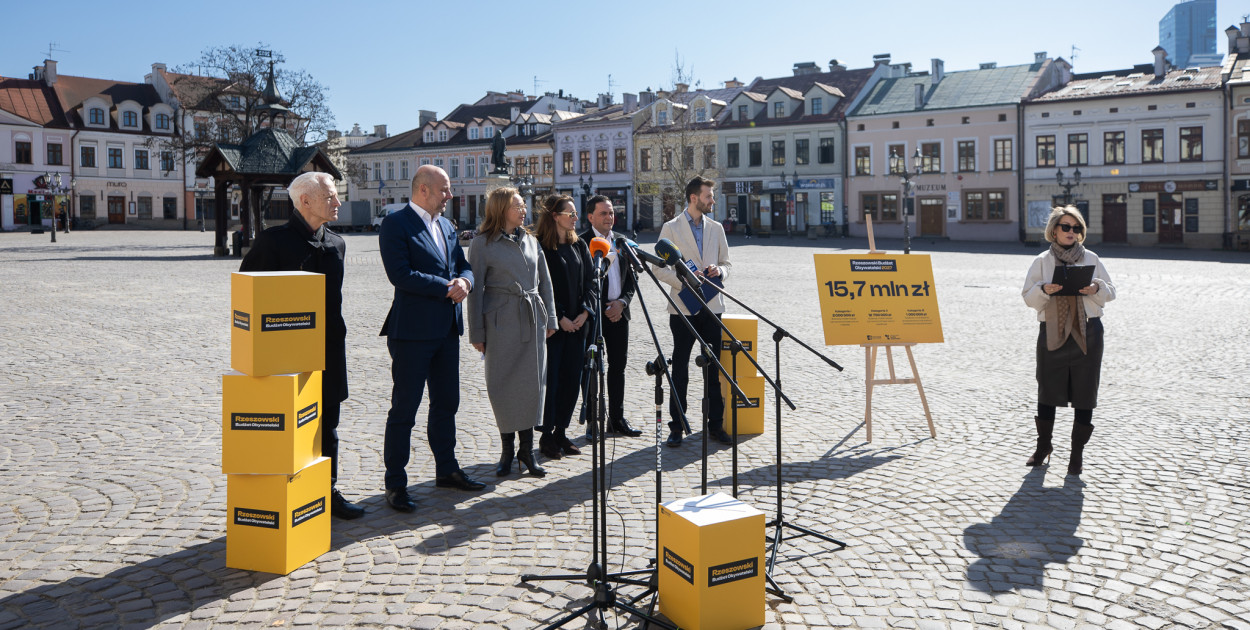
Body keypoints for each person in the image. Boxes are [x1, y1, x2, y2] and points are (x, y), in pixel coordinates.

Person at [239, 171, 365, 520]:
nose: (338, 202)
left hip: (328, 351)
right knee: (288, 427)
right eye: (331, 196)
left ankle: (327, 492)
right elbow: (247, 298)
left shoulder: (337, 244)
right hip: (283, 356)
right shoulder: (272, 243)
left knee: (328, 425)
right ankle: (288, 493)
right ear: (305, 201)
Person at [378, 165, 481, 513]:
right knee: (404, 409)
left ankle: (446, 470)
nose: (449, 196)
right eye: (444, 190)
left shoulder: (447, 226)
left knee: (446, 403)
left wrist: (465, 282)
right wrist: (447, 287)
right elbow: (400, 274)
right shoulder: (396, 224)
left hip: (446, 330)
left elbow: (462, 265)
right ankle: (395, 483)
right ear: (423, 190)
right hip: (411, 332)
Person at [466, 188, 557, 478]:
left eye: (523, 205)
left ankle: (527, 451)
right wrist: (476, 332)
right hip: (500, 322)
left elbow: (545, 282)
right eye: (518, 206)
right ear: (501, 209)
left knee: (532, 386)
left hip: (532, 320)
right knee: (501, 386)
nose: (524, 211)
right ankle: (507, 450)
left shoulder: (531, 241)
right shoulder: (482, 244)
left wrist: (551, 318)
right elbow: (475, 291)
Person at [1021, 206, 1116, 477]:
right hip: (1052, 329)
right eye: (1066, 227)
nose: (1071, 232)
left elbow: (1111, 292)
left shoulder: (1092, 258)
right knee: (1047, 389)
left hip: (1089, 331)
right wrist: (1043, 290)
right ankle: (1043, 447)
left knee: (1085, 392)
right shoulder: (1042, 261)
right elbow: (1027, 296)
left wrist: (1097, 288)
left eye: (1076, 228)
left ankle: (1077, 454)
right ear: (1054, 230)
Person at [655, 176, 733, 447]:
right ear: (693, 198)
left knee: (713, 369)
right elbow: (658, 268)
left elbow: (727, 264)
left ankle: (716, 425)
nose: (712, 200)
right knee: (681, 370)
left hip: (712, 306)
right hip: (683, 308)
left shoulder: (716, 228)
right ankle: (677, 426)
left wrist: (719, 271)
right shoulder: (671, 227)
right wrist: (685, 281)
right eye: (709, 196)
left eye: (712, 196)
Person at [536, 195, 598, 459]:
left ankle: (561, 430)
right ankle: (546, 435)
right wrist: (559, 317)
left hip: (578, 327)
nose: (575, 218)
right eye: (570, 214)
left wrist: (585, 312)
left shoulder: (580, 245)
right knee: (552, 382)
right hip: (554, 329)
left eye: (575, 214)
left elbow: (591, 283)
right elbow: (540, 288)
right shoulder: (540, 247)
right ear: (554, 216)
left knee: (572, 381)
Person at [579, 195, 641, 438]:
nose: (609, 217)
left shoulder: (622, 243)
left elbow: (631, 281)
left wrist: (622, 303)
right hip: (594, 317)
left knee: (618, 367)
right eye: (603, 213)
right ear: (591, 217)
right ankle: (594, 421)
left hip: (619, 315)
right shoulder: (582, 243)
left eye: (612, 212)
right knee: (591, 368)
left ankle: (616, 419)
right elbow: (581, 284)